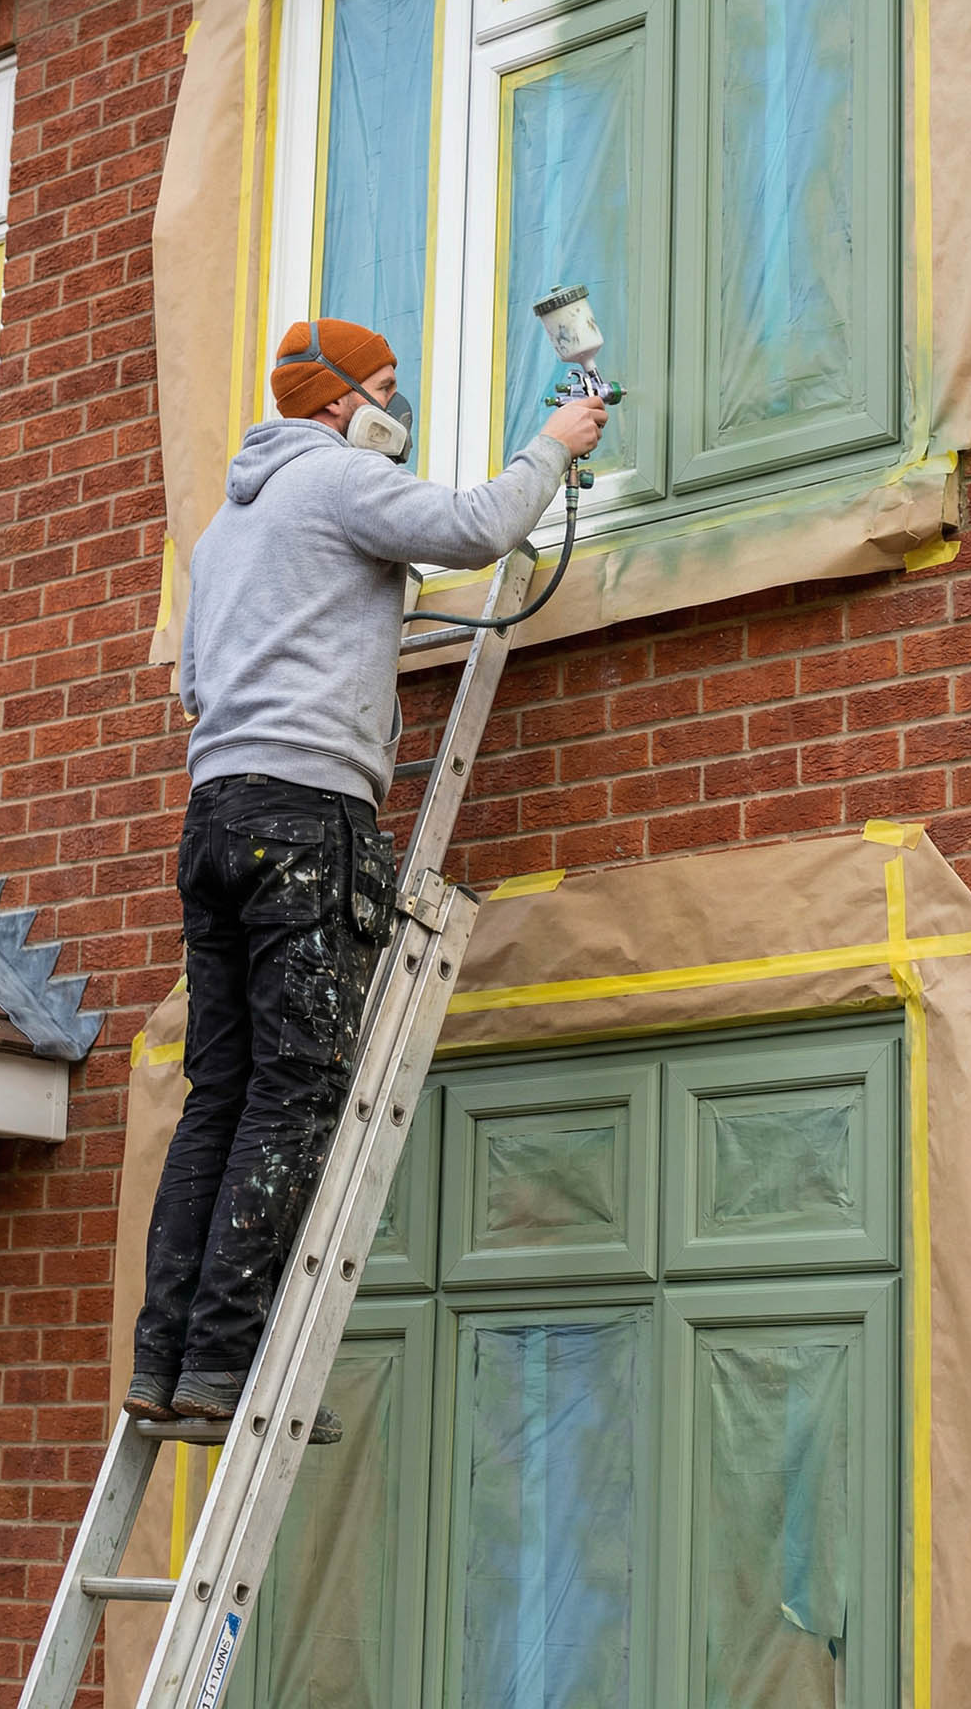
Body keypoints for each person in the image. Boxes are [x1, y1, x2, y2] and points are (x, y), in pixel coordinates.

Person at [126, 317, 606, 1421]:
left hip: (215, 819)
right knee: (298, 1088)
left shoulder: (222, 534)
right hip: (305, 822)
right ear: (337, 399)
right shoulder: (337, 479)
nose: (397, 408)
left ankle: (166, 1364)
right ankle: (226, 1367)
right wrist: (558, 440)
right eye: (387, 388)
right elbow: (478, 527)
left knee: (223, 1093)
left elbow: (196, 684)